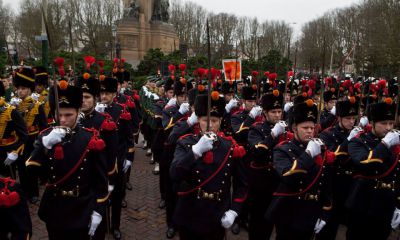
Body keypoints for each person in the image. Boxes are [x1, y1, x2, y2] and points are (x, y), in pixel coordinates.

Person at [26, 79, 108, 240]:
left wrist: (98, 210)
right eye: (59, 114)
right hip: (55, 207)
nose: (63, 120)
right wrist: (44, 146)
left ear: (78, 112)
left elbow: (101, 180)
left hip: (83, 206)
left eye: (68, 115)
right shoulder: (45, 136)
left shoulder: (91, 137)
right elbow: (31, 172)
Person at [170, 93, 248, 240]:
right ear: (198, 120)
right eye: (206, 120)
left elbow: (241, 184)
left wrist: (234, 211)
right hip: (190, 210)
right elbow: (174, 174)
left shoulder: (230, 146)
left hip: (217, 212)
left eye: (214, 120)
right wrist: (195, 151)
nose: (210, 125)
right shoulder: (186, 143)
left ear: (220, 121)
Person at [266, 99, 333, 240]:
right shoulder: (282, 149)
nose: (310, 131)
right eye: (305, 128)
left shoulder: (319, 149)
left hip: (312, 210)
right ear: (295, 128)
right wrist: (308, 154)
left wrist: (324, 213)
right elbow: (288, 175)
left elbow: (325, 183)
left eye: (312, 127)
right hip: (289, 212)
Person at [346, 99, 400, 239]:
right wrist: (385, 144)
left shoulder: (395, 143)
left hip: (386, 204)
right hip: (363, 204)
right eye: (383, 123)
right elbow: (364, 163)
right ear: (371, 123)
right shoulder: (358, 141)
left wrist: (398, 204)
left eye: (391, 123)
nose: (388, 128)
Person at [317, 97, 362, 240]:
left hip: (353, 186)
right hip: (334, 184)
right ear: (339, 118)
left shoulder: (358, 134)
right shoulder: (327, 134)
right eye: (348, 118)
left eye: (353, 118)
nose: (351, 122)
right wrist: (349, 140)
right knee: (328, 229)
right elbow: (331, 158)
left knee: (354, 229)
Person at [247, 90, 287, 240]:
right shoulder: (256, 129)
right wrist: (272, 135)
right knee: (259, 228)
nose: (277, 115)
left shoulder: (286, 130)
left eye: (279, 111)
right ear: (264, 112)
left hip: (281, 186)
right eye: (273, 112)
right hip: (261, 187)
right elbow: (257, 152)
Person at [98, 76, 133, 240]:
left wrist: (129, 157)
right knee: (101, 195)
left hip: (117, 160)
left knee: (117, 195)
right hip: (99, 162)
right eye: (101, 93)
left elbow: (128, 137)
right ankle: (103, 224)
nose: (103, 96)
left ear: (114, 94)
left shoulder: (121, 111)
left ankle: (116, 226)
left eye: (107, 93)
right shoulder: (94, 112)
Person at [12, 67, 47, 203]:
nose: (20, 91)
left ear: (29, 89)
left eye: (23, 88)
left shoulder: (37, 105)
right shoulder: (13, 105)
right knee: (20, 167)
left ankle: (33, 193)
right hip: (19, 140)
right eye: (18, 88)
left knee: (31, 167)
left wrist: (41, 141)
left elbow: (43, 126)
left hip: (32, 139)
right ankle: (24, 192)